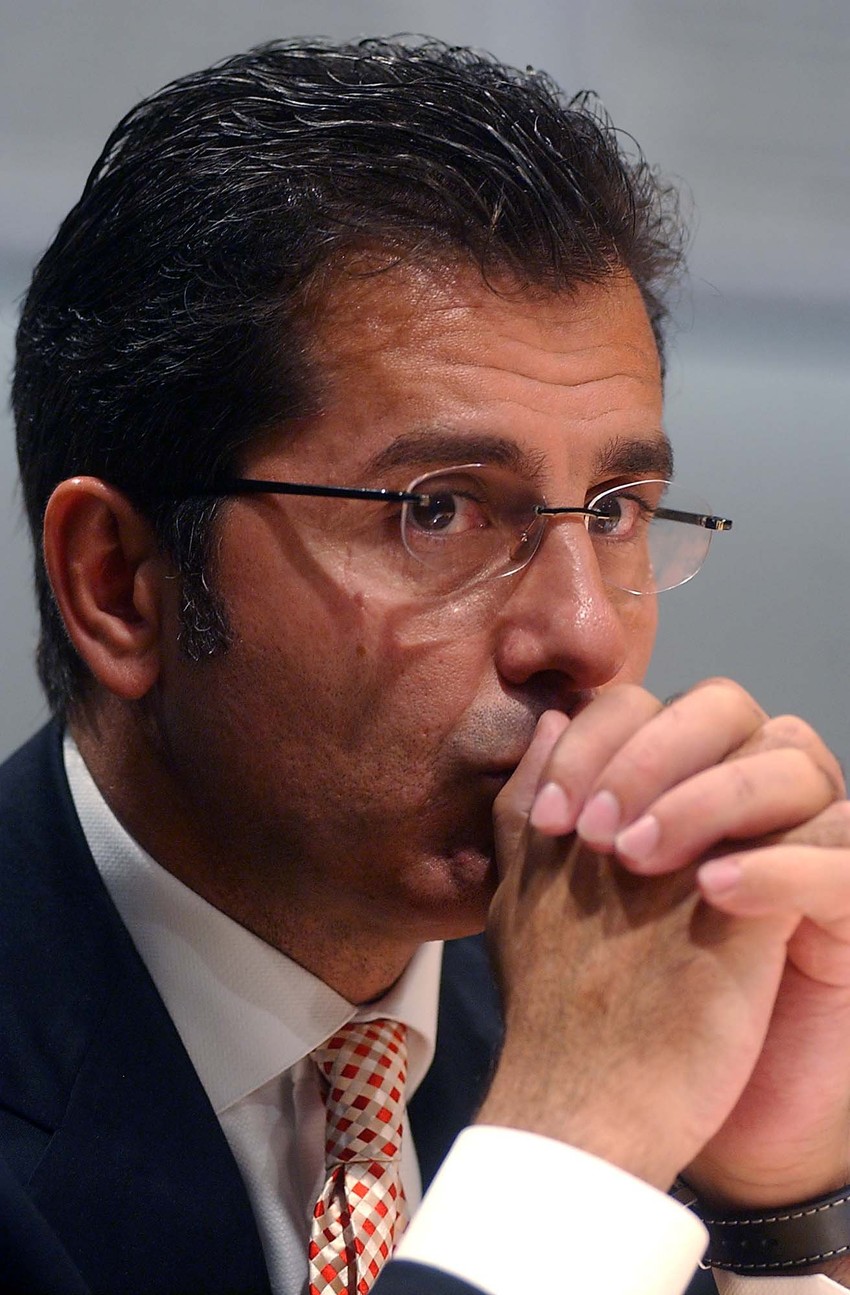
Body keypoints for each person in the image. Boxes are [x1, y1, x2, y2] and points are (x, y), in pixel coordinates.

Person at [3, 35, 850, 1295]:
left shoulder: (648, 1020)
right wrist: (575, 1149)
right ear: (120, 583)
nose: (585, 635)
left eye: (613, 509)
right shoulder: (597, 1100)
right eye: (439, 510)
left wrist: (770, 1206)